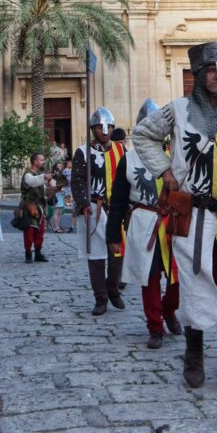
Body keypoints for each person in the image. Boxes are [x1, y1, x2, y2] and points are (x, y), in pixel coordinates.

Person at [133, 41, 217, 389]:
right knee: (193, 285)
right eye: (212, 70)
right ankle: (193, 358)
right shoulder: (177, 111)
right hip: (190, 214)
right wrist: (164, 171)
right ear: (199, 74)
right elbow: (143, 135)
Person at [106, 99, 182, 349]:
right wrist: (113, 234)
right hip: (143, 223)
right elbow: (118, 200)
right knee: (149, 279)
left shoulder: (175, 156)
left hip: (172, 222)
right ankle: (155, 326)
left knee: (178, 277)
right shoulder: (128, 160)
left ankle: (168, 310)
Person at [71, 107, 126, 316]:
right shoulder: (83, 152)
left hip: (116, 209)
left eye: (108, 127)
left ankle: (113, 289)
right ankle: (100, 298)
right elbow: (77, 181)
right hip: (93, 208)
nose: (104, 131)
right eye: (100, 127)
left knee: (117, 252)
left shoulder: (121, 151)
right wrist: (84, 203)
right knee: (96, 256)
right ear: (93, 129)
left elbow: (127, 178)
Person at [20, 153, 52, 263]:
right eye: (41, 160)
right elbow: (32, 182)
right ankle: (28, 253)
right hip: (30, 208)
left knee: (40, 231)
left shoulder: (39, 174)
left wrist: (53, 189)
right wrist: (44, 177)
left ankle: (38, 254)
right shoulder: (27, 175)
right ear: (35, 161)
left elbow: (43, 190)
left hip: (40, 208)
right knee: (29, 231)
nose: (43, 162)